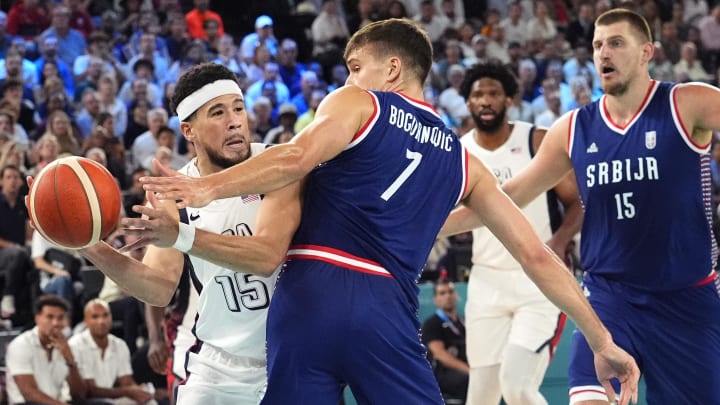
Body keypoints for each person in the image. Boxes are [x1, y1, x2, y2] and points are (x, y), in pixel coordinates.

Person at [138, 19, 639, 404]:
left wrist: (205, 189)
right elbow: (534, 253)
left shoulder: (360, 103)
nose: (351, 76)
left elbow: (293, 157)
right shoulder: (464, 161)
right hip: (385, 311)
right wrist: (600, 339)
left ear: (392, 69)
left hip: (305, 297)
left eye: (357, 67)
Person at [441, 9, 720, 404]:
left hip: (687, 300)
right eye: (597, 45)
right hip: (611, 300)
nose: (604, 53)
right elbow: (507, 198)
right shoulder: (572, 129)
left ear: (647, 52)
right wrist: (433, 226)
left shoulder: (687, 102)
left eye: (616, 43)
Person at [68, 63, 297, 405]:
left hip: (294, 359)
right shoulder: (170, 193)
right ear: (188, 131)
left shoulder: (277, 164)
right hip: (218, 366)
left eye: (238, 108)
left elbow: (266, 256)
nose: (235, 121)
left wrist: (181, 235)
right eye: (217, 113)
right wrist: (87, 245)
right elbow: (159, 288)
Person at [457, 62, 582, 405]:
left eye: (493, 93)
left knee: (517, 387)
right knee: (480, 398)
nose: (485, 100)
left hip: (537, 278)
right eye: (478, 94)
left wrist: (558, 242)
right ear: (467, 102)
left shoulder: (536, 140)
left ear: (509, 99)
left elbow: (578, 203)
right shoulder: (459, 151)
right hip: (485, 280)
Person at [69, 299, 156, 404]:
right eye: (95, 317)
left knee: (149, 402)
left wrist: (140, 390)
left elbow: (126, 382)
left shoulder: (119, 344)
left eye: (105, 315)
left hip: (111, 398)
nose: (101, 321)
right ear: (85, 321)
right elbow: (90, 390)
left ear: (111, 317)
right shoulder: (76, 345)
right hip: (85, 400)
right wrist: (128, 391)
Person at [5, 294, 86, 405]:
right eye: (50, 317)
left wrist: (70, 359)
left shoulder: (66, 346)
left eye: (60, 318)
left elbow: (79, 395)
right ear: (37, 318)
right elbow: (28, 393)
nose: (55, 323)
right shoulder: (20, 345)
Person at [421, 279, 468, 403]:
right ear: (435, 299)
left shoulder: (465, 322)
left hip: (467, 368)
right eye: (442, 293)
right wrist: (469, 370)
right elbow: (440, 354)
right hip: (443, 373)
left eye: (450, 291)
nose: (448, 296)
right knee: (468, 380)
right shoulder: (432, 324)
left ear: (456, 295)